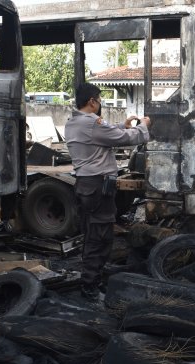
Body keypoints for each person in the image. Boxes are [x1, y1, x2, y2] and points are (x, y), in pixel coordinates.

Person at [65, 83, 152, 299]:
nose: (100, 104)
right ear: (92, 101)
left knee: (91, 234)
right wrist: (143, 126)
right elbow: (127, 139)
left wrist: (122, 125)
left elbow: (105, 134)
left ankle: (91, 280)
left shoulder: (73, 122)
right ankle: (90, 288)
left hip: (86, 185)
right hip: (97, 186)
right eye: (99, 100)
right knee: (100, 237)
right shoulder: (92, 123)